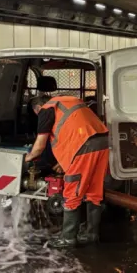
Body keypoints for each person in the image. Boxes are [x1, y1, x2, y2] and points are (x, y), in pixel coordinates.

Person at [25, 93, 109, 249]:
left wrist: (26, 159)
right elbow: (73, 131)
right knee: (94, 190)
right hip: (102, 141)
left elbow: (39, 147)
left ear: (37, 108)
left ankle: (68, 238)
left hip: (84, 145)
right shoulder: (68, 101)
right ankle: (91, 234)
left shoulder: (46, 110)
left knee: (72, 190)